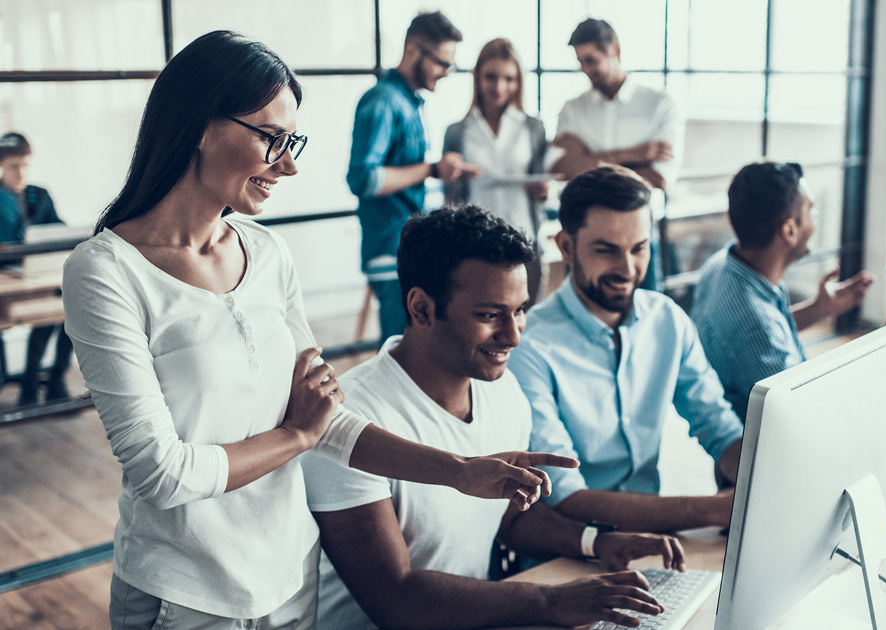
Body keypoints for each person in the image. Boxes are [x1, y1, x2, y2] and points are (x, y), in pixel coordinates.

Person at [61, 31, 573, 630]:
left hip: (288, 581)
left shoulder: (268, 252)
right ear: (202, 124)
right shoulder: (104, 271)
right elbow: (162, 473)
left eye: (292, 140)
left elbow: (328, 421)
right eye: (272, 138)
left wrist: (458, 471)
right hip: (185, 596)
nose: (290, 163)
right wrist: (298, 436)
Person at [303, 205, 681, 630]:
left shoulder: (502, 388)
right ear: (422, 308)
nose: (514, 335)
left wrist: (595, 541)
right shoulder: (345, 422)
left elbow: (510, 515)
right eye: (489, 315)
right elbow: (398, 599)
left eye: (519, 310)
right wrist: (551, 601)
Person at [509, 165, 744, 533]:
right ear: (566, 247)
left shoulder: (667, 319)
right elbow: (565, 497)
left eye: (640, 248)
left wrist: (760, 481)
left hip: (653, 537)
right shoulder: (529, 348)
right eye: (607, 251)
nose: (628, 268)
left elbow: (718, 425)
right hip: (572, 551)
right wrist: (715, 510)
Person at [691, 161, 886, 422]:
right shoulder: (756, 327)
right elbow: (812, 411)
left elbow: (766, 327)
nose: (816, 217)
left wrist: (819, 309)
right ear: (789, 230)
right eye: (811, 209)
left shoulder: (721, 265)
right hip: (769, 449)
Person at [348, 11, 480, 344]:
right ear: (412, 51)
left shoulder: (411, 103)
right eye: (442, 63)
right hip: (387, 247)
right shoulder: (382, 102)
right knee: (399, 354)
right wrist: (433, 170)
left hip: (405, 245)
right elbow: (363, 179)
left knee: (412, 349)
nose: (447, 73)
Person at [548, 18, 682, 291]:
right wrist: (634, 154)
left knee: (643, 321)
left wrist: (588, 157)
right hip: (584, 234)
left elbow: (658, 178)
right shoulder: (572, 108)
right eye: (580, 61)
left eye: (591, 59)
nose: (585, 69)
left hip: (638, 237)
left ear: (615, 50)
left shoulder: (659, 105)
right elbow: (562, 166)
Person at [443, 38, 548, 302]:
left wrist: (543, 191)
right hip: (474, 248)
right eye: (491, 77)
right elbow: (452, 199)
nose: (500, 87)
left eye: (509, 79)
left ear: (518, 81)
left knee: (528, 325)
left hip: (526, 242)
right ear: (477, 77)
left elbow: (543, 183)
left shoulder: (534, 128)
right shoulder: (457, 132)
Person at [0, 132, 75, 404]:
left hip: (37, 277)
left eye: (25, 165)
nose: (21, 172)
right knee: (49, 313)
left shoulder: (39, 195)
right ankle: (29, 386)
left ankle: (53, 380)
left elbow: (58, 229)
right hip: (7, 281)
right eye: (13, 166)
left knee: (66, 312)